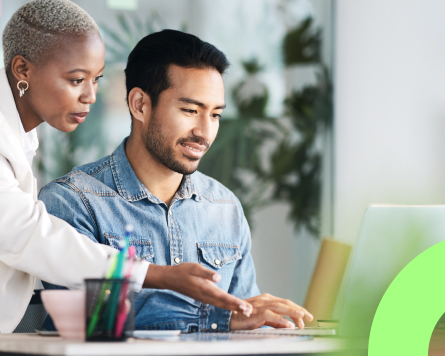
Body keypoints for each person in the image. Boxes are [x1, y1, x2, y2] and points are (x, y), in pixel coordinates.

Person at [0, 0, 250, 334]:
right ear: (22, 70)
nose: (91, 96)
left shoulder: (224, 205)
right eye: (75, 80)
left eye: (96, 79)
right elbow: (23, 235)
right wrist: (159, 275)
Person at [39, 29, 314, 332]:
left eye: (215, 115)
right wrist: (219, 318)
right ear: (140, 104)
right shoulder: (71, 201)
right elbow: (86, 320)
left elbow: (247, 321)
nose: (205, 131)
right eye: (190, 110)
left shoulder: (224, 207)